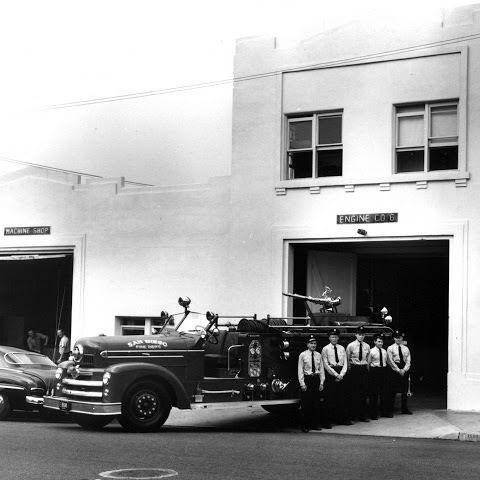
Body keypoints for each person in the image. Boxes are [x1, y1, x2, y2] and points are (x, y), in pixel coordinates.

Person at [321, 328, 352, 426]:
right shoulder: (325, 349)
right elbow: (325, 364)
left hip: (341, 373)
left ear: (338, 338)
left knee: (342, 398)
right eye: (332, 337)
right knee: (330, 398)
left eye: (336, 337)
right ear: (329, 338)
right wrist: (335, 374)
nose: (334, 339)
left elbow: (345, 363)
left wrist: (341, 374)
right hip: (331, 373)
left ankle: (342, 419)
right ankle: (328, 421)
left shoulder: (342, 348)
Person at [298, 335, 325, 432]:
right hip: (307, 379)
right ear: (307, 345)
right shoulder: (303, 355)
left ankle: (315, 424)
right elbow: (300, 370)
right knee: (306, 404)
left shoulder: (318, 355)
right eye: (311, 343)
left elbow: (321, 369)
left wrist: (321, 382)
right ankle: (305, 425)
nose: (313, 345)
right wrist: (302, 383)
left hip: (316, 379)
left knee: (316, 403)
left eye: (315, 343)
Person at [346, 325, 370, 422]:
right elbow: (347, 359)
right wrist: (349, 369)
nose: (361, 336)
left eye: (363, 335)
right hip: (354, 369)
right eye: (359, 334)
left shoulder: (367, 346)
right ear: (356, 335)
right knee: (353, 393)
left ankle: (362, 416)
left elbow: (368, 359)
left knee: (363, 394)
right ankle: (352, 416)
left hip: (363, 369)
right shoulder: (351, 345)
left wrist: (367, 369)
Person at [386, 330, 412, 416]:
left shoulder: (406, 348)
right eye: (396, 337)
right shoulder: (390, 348)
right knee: (392, 391)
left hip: (404, 369)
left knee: (404, 391)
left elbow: (408, 360)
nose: (398, 339)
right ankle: (390, 410)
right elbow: (390, 361)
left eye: (400, 337)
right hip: (394, 370)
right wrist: (398, 370)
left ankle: (404, 409)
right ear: (394, 338)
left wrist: (404, 370)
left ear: (402, 338)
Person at [367, 334, 388, 420]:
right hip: (374, 372)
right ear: (375, 342)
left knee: (384, 393)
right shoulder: (371, 351)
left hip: (383, 371)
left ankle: (384, 412)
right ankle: (373, 414)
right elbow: (368, 364)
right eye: (379, 341)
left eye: (381, 341)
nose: (380, 343)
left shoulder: (384, 351)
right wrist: (371, 374)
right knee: (374, 394)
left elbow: (386, 361)